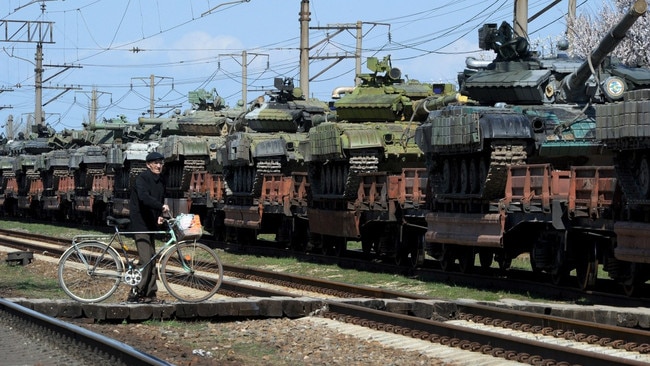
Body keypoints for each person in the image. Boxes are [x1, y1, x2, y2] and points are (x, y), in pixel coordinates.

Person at [127, 151, 170, 303]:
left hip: (150, 223)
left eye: (161, 163)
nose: (159, 166)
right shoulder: (142, 179)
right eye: (156, 163)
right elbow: (144, 198)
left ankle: (150, 294)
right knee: (146, 260)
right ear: (148, 165)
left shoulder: (161, 180)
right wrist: (161, 206)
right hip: (140, 223)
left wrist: (159, 213)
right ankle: (135, 293)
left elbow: (159, 197)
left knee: (152, 259)